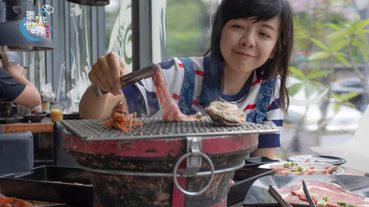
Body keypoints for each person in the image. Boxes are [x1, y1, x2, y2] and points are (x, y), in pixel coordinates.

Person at [79, 0, 294, 160]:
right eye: (238, 26)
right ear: (220, 31)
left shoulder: (269, 92)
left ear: (275, 49)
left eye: (264, 34)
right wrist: (102, 84)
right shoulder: (177, 74)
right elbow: (94, 114)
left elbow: (263, 165)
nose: (248, 41)